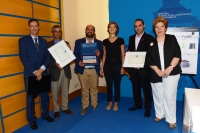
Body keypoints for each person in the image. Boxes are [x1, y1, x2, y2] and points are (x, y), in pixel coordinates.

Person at [146, 16, 181, 129]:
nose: (159, 29)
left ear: (165, 28)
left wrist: (169, 69)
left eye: (162, 26)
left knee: (169, 96)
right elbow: (149, 59)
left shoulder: (171, 38)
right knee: (158, 95)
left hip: (172, 72)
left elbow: (177, 55)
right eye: (157, 27)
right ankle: (159, 115)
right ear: (154, 29)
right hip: (156, 73)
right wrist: (158, 70)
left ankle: (171, 119)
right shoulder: (151, 42)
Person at [19, 19, 54, 130]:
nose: (34, 28)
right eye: (32, 26)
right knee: (30, 98)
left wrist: (41, 70)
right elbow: (24, 58)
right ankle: (32, 120)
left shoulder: (44, 41)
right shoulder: (23, 41)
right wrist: (35, 71)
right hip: (30, 74)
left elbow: (47, 57)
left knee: (45, 96)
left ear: (39, 28)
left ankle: (45, 115)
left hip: (43, 72)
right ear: (28, 28)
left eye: (36, 26)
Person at [73, 25, 103, 115]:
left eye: (92, 29)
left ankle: (94, 104)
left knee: (94, 88)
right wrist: (78, 62)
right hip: (83, 69)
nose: (90, 31)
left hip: (94, 69)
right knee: (84, 89)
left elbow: (102, 55)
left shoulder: (99, 42)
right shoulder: (78, 42)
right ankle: (85, 106)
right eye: (88, 29)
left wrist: (99, 55)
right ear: (85, 31)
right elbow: (75, 55)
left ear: (94, 31)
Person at [127, 19, 153, 118]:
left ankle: (147, 109)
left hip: (144, 70)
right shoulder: (131, 38)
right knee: (136, 88)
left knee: (146, 90)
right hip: (133, 69)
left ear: (144, 26)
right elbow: (130, 50)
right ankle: (138, 105)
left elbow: (151, 55)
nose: (137, 28)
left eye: (139, 25)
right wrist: (128, 55)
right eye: (136, 26)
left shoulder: (149, 38)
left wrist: (142, 65)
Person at [48, 25, 73, 118]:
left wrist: (69, 49)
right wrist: (55, 64)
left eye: (59, 31)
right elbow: (46, 61)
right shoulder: (48, 45)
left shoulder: (66, 43)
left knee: (65, 91)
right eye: (56, 31)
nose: (58, 33)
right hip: (55, 71)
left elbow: (70, 57)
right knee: (55, 92)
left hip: (65, 70)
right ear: (52, 33)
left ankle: (65, 107)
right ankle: (56, 109)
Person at [100, 22, 125, 111]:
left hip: (117, 66)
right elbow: (104, 55)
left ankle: (116, 103)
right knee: (109, 85)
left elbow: (122, 54)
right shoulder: (105, 41)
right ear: (108, 29)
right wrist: (102, 68)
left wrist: (123, 67)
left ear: (116, 29)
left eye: (114, 27)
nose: (112, 28)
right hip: (107, 66)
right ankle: (110, 101)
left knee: (117, 85)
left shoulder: (120, 40)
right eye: (110, 27)